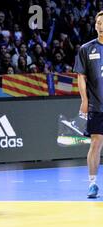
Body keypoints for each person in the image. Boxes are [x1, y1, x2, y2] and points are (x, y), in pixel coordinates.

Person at [74, 11, 103, 198]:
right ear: (95, 26)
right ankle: (92, 184)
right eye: (99, 22)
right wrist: (84, 100)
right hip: (97, 106)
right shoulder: (87, 49)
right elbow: (81, 76)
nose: (101, 25)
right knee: (96, 143)